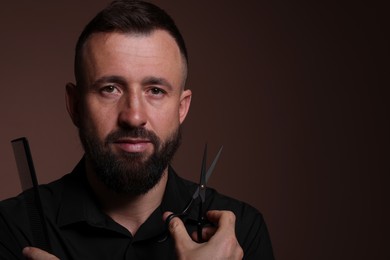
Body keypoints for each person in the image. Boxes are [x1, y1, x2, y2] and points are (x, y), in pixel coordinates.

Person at [0, 0, 274, 259]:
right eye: (110, 89)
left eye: (155, 91)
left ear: (182, 108)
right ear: (75, 105)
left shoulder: (237, 237)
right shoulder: (12, 228)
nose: (133, 116)